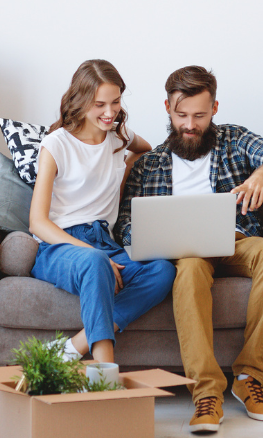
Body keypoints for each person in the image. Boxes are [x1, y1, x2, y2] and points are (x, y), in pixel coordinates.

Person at [115, 65, 263, 434]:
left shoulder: (234, 139)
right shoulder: (149, 165)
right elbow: (125, 224)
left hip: (236, 240)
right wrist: (149, 238)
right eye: (181, 115)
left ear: (214, 108)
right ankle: (206, 392)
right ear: (167, 108)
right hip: (185, 251)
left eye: (199, 115)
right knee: (187, 271)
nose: (190, 124)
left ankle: (249, 377)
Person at [28, 59, 176, 365]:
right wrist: (94, 254)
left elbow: (146, 150)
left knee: (163, 270)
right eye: (99, 104)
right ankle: (104, 371)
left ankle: (73, 347)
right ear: (81, 101)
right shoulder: (56, 145)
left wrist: (127, 171)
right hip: (60, 246)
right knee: (96, 261)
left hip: (105, 242)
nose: (110, 113)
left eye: (116, 102)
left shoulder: (118, 138)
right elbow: (37, 222)